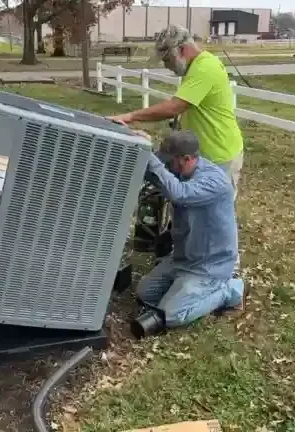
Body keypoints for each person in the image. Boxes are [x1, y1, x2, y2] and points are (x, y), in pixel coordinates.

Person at [108, 24, 244, 199]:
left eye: (167, 59)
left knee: (212, 213)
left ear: (182, 49)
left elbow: (175, 107)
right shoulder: (195, 67)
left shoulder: (205, 68)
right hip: (198, 154)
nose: (167, 66)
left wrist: (130, 117)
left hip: (219, 154)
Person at [133, 130, 244, 334]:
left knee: (171, 315)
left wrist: (152, 159)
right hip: (183, 258)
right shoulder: (180, 172)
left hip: (209, 265)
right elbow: (152, 173)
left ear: (185, 159)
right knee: (145, 294)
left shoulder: (214, 182)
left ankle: (229, 290)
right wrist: (139, 145)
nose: (165, 166)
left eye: (169, 162)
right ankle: (185, 289)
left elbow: (180, 194)